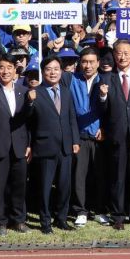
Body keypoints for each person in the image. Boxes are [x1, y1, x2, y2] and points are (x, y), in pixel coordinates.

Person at [99, 39, 130, 230]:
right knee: (117, 177)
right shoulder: (105, 78)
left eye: (126, 53)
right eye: (119, 53)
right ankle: (118, 215)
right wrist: (103, 96)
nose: (122, 56)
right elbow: (101, 109)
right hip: (116, 135)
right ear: (114, 55)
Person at [28, 55, 80, 234]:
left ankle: (62, 219)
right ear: (43, 72)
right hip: (45, 146)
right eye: (49, 69)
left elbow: (71, 117)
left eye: (56, 69)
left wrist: (75, 140)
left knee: (65, 185)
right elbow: (28, 120)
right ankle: (45, 222)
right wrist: (30, 101)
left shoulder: (66, 91)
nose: (53, 72)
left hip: (65, 146)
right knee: (45, 188)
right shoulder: (36, 92)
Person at [0, 55, 34, 236]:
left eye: (9, 67)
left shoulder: (23, 90)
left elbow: (28, 120)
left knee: (19, 184)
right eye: (2, 67)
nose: (5, 71)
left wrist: (29, 143)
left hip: (19, 145)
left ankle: (18, 219)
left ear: (15, 70)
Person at [64, 47, 109, 228]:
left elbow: (113, 110)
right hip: (79, 136)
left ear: (98, 63)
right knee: (79, 176)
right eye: (84, 62)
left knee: (101, 175)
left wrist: (105, 127)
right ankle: (81, 211)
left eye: (91, 62)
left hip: (100, 137)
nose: (88, 65)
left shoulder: (106, 80)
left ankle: (100, 210)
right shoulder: (71, 79)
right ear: (79, 63)